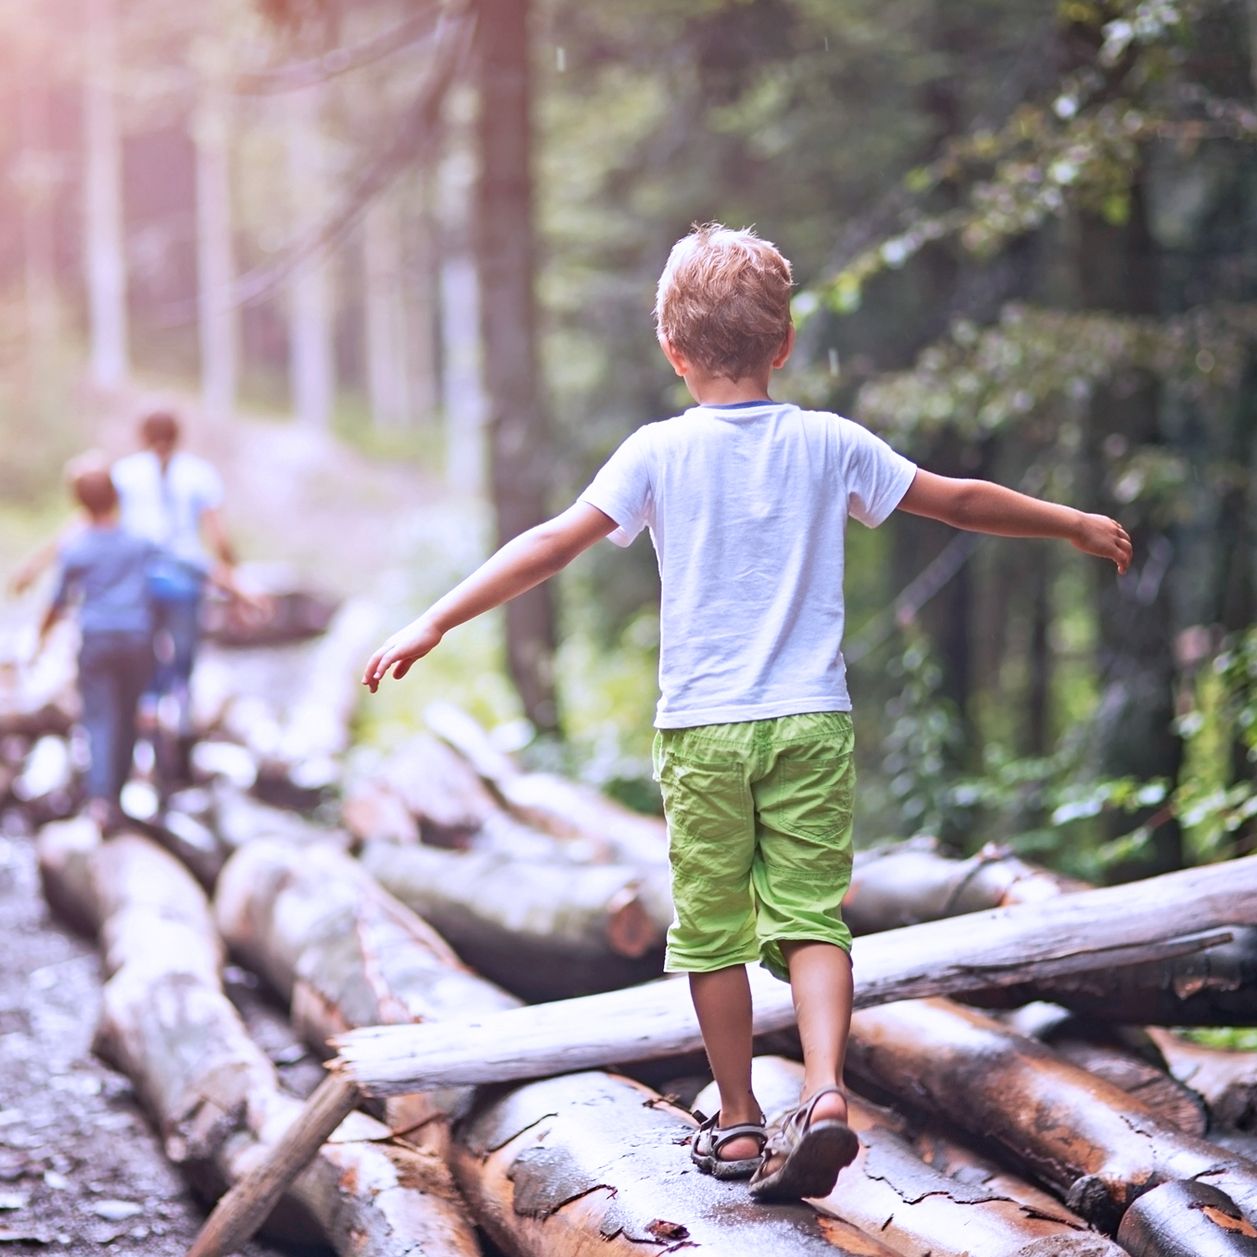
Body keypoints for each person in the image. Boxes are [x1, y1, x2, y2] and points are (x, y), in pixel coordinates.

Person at [360, 223, 1133, 1202]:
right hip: (810, 721)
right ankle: (822, 1094)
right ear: (785, 343)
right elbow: (959, 499)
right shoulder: (826, 441)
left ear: (672, 352)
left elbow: (551, 544)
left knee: (715, 932)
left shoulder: (656, 454)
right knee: (812, 919)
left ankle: (734, 1121)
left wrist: (434, 619)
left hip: (703, 731)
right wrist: (1067, 521)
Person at [110, 410, 237, 778]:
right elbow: (218, 535)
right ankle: (180, 735)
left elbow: (109, 525)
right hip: (185, 581)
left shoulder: (125, 473)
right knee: (183, 661)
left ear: (142, 435)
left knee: (147, 661)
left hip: (140, 583)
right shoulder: (199, 473)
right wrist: (231, 576)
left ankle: (148, 728)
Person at [37, 457, 157, 833]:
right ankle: (118, 796)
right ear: (116, 496)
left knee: (100, 719)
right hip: (138, 640)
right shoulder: (137, 542)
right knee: (127, 717)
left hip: (98, 641)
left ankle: (102, 802)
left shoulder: (76, 548)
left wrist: (38, 644)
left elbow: (56, 604)